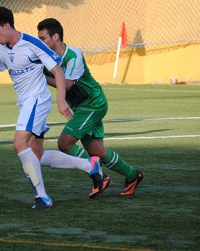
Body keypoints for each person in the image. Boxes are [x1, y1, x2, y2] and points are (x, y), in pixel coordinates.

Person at [0, 7, 105, 209]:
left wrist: (60, 100)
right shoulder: (1, 49)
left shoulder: (32, 44)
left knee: (19, 143)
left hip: (37, 100)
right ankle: (89, 165)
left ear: (7, 25)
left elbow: (57, 70)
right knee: (37, 156)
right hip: (25, 103)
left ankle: (42, 197)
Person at [37, 18, 144, 196]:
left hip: (92, 104)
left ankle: (99, 176)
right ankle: (133, 175)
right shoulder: (45, 57)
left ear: (55, 37)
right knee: (97, 151)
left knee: (65, 143)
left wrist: (40, 78)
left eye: (43, 38)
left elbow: (68, 83)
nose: (40, 43)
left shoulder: (73, 55)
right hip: (81, 106)